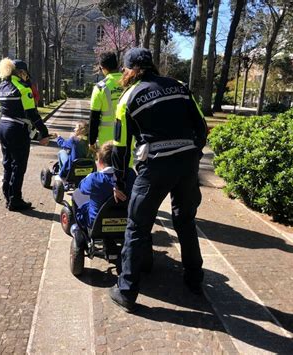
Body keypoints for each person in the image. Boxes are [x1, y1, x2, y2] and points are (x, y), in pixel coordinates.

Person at [109, 48, 208, 312]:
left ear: (131, 70)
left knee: (137, 227)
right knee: (185, 221)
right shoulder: (180, 87)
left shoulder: (128, 97)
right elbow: (202, 127)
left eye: (125, 70)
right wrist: (192, 155)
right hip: (187, 165)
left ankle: (126, 291)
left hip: (155, 168)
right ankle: (194, 279)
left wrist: (119, 182)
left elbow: (120, 147)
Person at [0, 58, 49, 211]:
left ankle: (7, 195)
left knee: (7, 164)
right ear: (21, 72)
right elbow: (33, 114)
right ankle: (15, 200)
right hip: (17, 129)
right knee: (18, 166)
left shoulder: (2, 86)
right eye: (26, 74)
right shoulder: (23, 89)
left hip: (3, 127)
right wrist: (43, 133)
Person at [71, 142, 136, 249]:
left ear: (100, 161)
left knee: (76, 195)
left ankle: (80, 229)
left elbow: (81, 187)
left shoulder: (95, 179)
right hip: (126, 220)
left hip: (97, 223)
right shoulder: (131, 174)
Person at [89, 52, 124, 151]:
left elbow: (94, 118)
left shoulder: (100, 87)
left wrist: (91, 141)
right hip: (127, 136)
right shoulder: (129, 84)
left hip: (106, 139)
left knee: (107, 166)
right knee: (126, 165)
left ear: (102, 67)